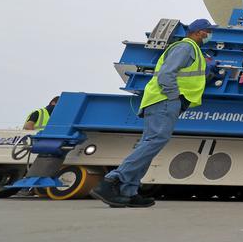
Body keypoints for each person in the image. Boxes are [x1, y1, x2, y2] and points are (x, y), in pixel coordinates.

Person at [91, 19, 213, 208]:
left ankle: (128, 192)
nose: (209, 35)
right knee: (156, 140)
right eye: (207, 31)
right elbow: (166, 74)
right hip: (164, 101)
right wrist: (174, 98)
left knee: (150, 143)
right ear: (197, 32)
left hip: (162, 101)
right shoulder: (185, 47)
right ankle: (112, 180)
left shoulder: (192, 50)